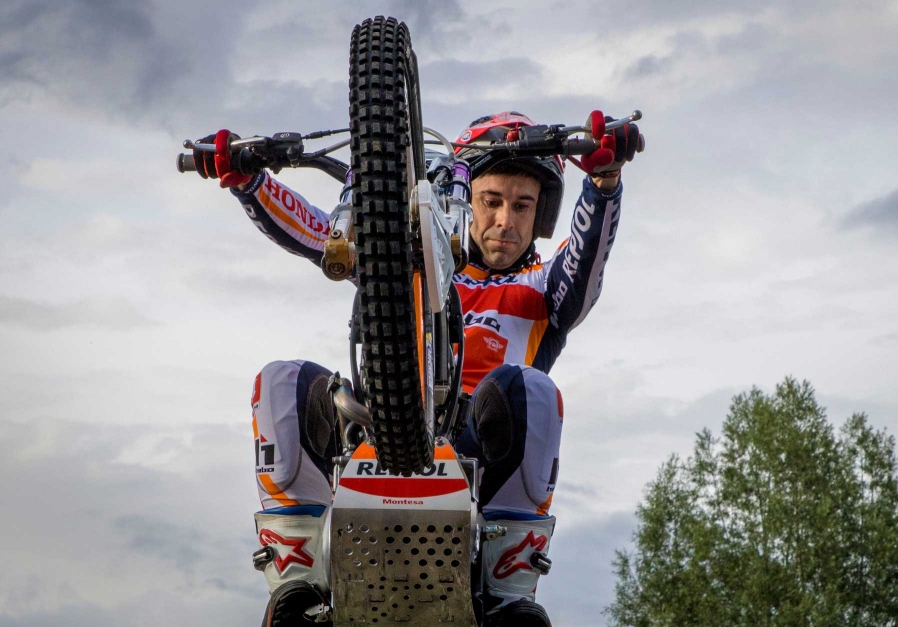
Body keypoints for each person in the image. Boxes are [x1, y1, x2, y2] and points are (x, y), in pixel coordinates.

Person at [193, 111, 641, 627]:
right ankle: (296, 585)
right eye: (491, 201)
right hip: (377, 425)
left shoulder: (543, 285)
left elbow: (586, 264)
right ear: (465, 201)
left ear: (541, 214)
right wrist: (248, 182)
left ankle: (509, 592)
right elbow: (321, 234)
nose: (505, 221)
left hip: (481, 448)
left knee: (529, 386)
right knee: (281, 379)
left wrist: (604, 184)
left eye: (522, 206)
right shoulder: (418, 262)